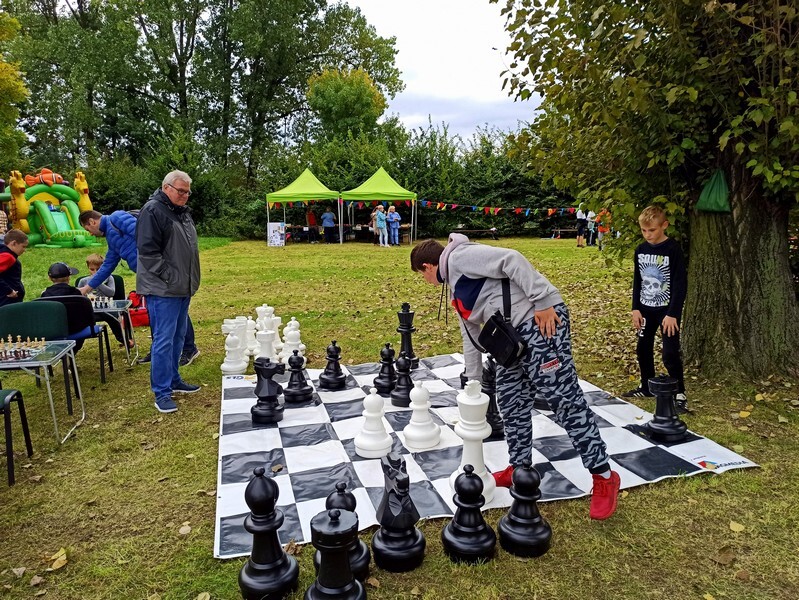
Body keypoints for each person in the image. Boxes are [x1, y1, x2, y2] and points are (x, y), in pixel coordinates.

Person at [410, 235, 621, 520]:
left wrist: (543, 300)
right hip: (512, 341)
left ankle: (604, 475)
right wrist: (471, 382)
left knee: (564, 400)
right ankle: (519, 467)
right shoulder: (455, 289)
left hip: (541, 319)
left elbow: (511, 259)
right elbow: (469, 335)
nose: (425, 281)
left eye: (421, 276)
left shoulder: (459, 256)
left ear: (427, 267)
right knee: (510, 400)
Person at [79, 209, 201, 367]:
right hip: (147, 277)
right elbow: (107, 265)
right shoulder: (111, 236)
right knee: (155, 311)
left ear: (92, 221)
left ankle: (189, 348)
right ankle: (157, 350)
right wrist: (87, 288)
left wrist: (154, 266)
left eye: (87, 229)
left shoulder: (116, 218)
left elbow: (146, 235)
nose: (90, 233)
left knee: (175, 308)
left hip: (158, 272)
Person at [136, 171, 201, 414]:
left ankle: (174, 380)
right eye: (181, 191)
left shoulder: (181, 212)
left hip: (182, 287)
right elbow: (148, 253)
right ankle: (161, 392)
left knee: (178, 335)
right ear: (166, 187)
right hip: (163, 289)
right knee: (163, 340)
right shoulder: (153, 211)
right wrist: (171, 277)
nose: (185, 196)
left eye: (187, 192)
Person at [623, 206, 688, 412]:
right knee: (643, 348)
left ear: (664, 225)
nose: (648, 235)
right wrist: (635, 309)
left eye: (652, 230)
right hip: (646, 309)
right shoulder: (641, 250)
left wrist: (673, 314)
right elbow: (638, 280)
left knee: (670, 352)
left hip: (666, 311)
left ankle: (679, 392)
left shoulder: (672, 249)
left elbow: (680, 283)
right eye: (644, 230)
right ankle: (646, 385)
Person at [76, 253, 133, 348]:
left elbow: (111, 293)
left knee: (112, 318)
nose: (95, 272)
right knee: (80, 319)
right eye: (92, 269)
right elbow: (79, 298)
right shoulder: (83, 281)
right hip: (92, 310)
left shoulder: (109, 278)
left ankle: (123, 339)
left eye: (98, 270)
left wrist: (97, 282)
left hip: (107, 308)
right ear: (88, 268)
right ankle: (76, 345)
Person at [0, 229, 28, 308]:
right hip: (6, 301)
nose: (24, 250)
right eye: (23, 246)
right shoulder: (7, 256)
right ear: (14, 243)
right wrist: (9, 290)